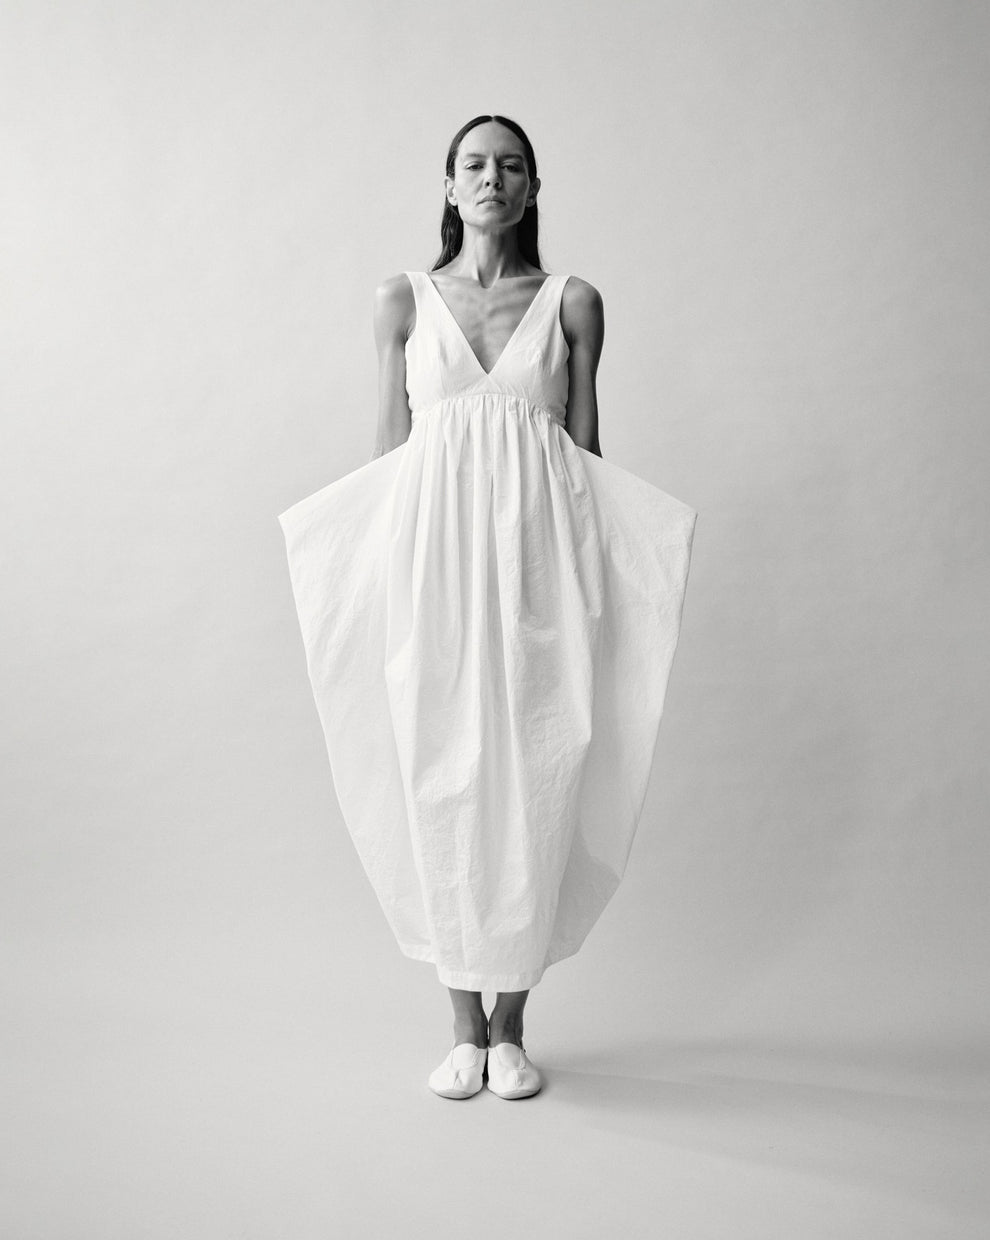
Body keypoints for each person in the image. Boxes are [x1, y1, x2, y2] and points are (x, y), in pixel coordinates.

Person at [278, 114, 698, 1102]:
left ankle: (511, 1027)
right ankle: (460, 1023)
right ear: (448, 183)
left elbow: (586, 463)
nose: (492, 180)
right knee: (440, 782)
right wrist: (362, 586)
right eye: (475, 164)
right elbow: (390, 458)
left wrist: (629, 580)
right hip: (432, 577)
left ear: (533, 186)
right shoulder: (401, 301)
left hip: (536, 578)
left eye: (511, 166)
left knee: (534, 780)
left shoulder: (574, 303)